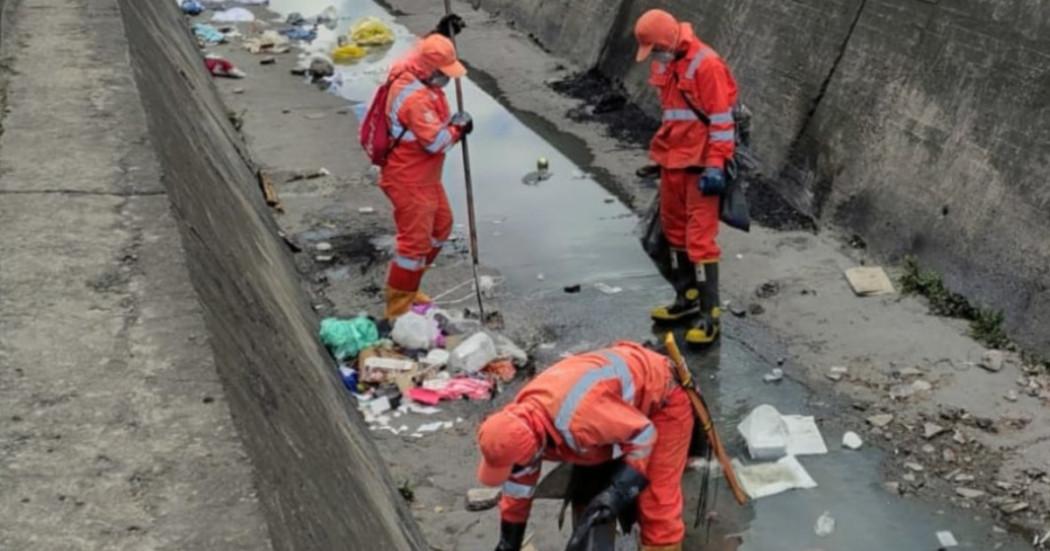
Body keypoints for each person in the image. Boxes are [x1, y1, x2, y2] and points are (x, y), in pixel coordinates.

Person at [476, 341, 694, 551]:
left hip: (663, 400)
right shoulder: (519, 424)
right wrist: (508, 543)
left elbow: (643, 436)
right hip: (610, 412)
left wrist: (619, 490)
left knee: (656, 501)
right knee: (588, 493)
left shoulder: (578, 421)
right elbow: (518, 487)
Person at [635, 9, 738, 345]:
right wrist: (661, 157)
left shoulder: (706, 64)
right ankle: (687, 300)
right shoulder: (667, 62)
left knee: (699, 239)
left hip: (701, 165)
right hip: (674, 162)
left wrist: (715, 165)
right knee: (674, 231)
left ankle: (711, 316)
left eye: (655, 50)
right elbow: (673, 117)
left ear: (666, 42)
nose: (655, 58)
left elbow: (722, 122)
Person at [380, 33, 473, 319]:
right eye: (444, 74)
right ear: (430, 69)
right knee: (414, 245)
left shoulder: (417, 79)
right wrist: (458, 129)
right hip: (409, 178)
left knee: (441, 227)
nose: (447, 80)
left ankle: (411, 288)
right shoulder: (415, 98)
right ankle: (398, 310)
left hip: (425, 176)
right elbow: (436, 142)